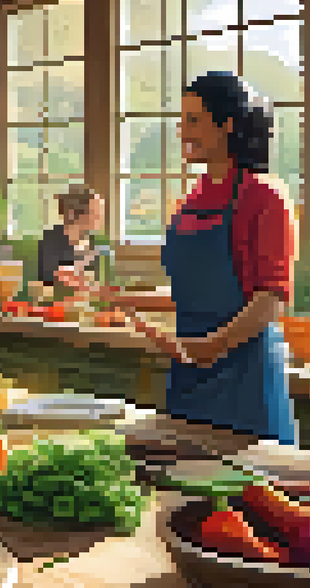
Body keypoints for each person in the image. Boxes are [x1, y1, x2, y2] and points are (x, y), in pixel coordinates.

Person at [116, 71, 297, 445]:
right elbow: (190, 294)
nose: (183, 132)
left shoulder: (265, 198)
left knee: (250, 493)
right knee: (186, 488)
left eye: (194, 120)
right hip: (189, 372)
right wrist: (115, 297)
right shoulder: (190, 201)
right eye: (182, 122)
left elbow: (269, 301)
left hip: (245, 378)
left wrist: (210, 346)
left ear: (227, 124)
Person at [37, 184, 107, 294]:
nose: (101, 218)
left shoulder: (93, 243)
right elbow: (48, 280)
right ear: (72, 213)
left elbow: (98, 283)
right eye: (95, 213)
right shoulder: (51, 241)